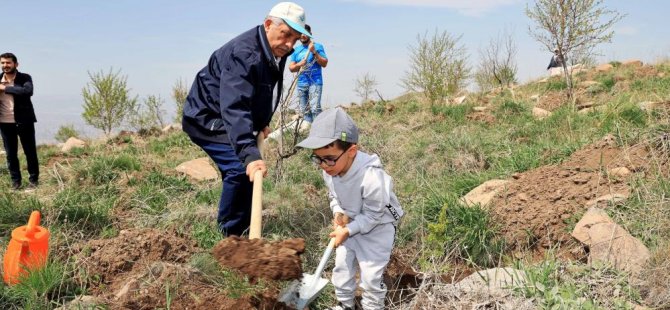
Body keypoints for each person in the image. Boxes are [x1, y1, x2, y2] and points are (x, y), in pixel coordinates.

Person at [182, 2, 311, 237]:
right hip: (205, 117)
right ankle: (231, 236)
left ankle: (244, 225)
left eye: (295, 38)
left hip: (229, 114)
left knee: (247, 170)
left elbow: (259, 89)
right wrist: (249, 154)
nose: (290, 44)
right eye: (286, 35)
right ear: (269, 24)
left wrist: (261, 121)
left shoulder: (272, 48)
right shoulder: (245, 53)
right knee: (241, 168)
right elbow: (235, 105)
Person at [296, 107, 404, 310]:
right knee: (342, 268)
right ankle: (344, 304)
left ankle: (373, 306)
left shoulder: (372, 177)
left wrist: (347, 230)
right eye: (317, 158)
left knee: (371, 275)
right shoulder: (329, 169)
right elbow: (334, 195)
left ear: (351, 151)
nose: (323, 165)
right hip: (351, 222)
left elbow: (373, 215)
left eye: (329, 158)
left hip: (378, 227)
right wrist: (338, 212)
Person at [0, 53, 39, 190]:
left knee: (30, 152)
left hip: (24, 121)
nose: (5, 65)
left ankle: (34, 181)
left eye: (8, 63)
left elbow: (27, 91)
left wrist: (5, 88)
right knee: (11, 155)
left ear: (16, 64)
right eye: (3, 63)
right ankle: (16, 183)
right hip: (4, 123)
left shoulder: (24, 78)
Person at [289, 24, 328, 123]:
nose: (303, 36)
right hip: (301, 83)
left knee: (315, 109)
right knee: (304, 111)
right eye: (301, 33)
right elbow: (291, 68)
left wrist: (314, 52)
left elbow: (324, 63)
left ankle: (319, 131)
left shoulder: (317, 46)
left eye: (305, 33)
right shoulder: (296, 50)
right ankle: (309, 132)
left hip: (315, 82)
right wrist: (299, 65)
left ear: (310, 34)